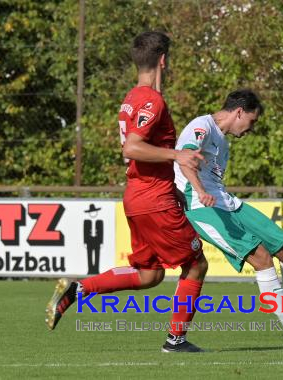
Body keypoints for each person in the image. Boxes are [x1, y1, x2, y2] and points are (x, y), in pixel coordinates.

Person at [45, 31, 208, 353]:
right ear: (164, 60)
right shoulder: (152, 100)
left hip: (140, 193)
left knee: (149, 275)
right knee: (196, 265)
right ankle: (176, 340)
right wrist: (177, 155)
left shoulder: (132, 98)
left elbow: (138, 148)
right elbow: (133, 146)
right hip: (151, 197)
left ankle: (78, 290)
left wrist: (171, 184)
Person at [174, 89, 283, 343]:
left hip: (226, 202)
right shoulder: (202, 126)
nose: (251, 128)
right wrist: (200, 191)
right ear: (238, 112)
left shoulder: (222, 142)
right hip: (200, 206)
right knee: (262, 259)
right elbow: (185, 159)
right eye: (252, 121)